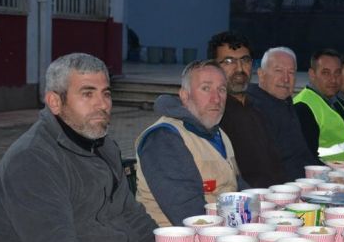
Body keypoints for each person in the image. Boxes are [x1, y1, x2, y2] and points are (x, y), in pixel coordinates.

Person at [0, 53, 242, 242]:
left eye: (106, 93)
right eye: (88, 94)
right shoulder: (32, 160)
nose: (102, 104)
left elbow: (135, 221)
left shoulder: (101, 147)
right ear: (55, 102)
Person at [136, 61, 240, 226]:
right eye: (206, 88)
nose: (216, 99)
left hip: (219, 231)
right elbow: (189, 215)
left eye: (222, 90)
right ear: (185, 96)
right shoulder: (164, 138)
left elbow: (236, 186)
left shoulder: (218, 133)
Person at [208, 31, 287, 188]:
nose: (239, 69)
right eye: (229, 61)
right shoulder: (213, 114)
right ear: (213, 67)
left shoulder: (261, 107)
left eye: (245, 60)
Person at [248, 47, 320, 181]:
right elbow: (267, 168)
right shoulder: (253, 110)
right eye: (278, 71)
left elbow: (302, 154)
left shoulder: (285, 103)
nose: (286, 79)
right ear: (261, 74)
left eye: (291, 73)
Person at [294, 48, 344, 162]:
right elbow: (305, 158)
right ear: (312, 74)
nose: (333, 79)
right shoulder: (302, 107)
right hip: (323, 178)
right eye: (326, 73)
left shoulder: (334, 101)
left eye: (337, 73)